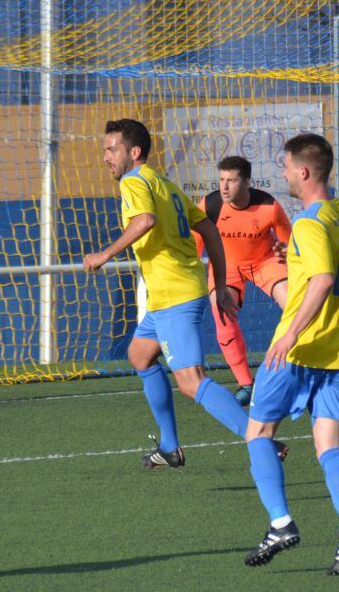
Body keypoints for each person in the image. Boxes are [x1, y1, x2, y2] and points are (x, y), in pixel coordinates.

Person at [83, 119, 280, 469]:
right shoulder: (165, 184)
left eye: (111, 149)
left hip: (174, 293)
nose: (105, 157)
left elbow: (144, 221)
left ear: (134, 152)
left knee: (191, 382)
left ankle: (258, 436)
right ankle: (170, 446)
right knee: (140, 355)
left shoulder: (134, 181)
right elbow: (209, 229)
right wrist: (219, 285)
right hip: (169, 294)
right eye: (104, 150)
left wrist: (104, 254)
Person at [243, 133, 339, 576]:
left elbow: (321, 279)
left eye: (285, 166)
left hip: (297, 352)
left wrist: (290, 333)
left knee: (258, 433)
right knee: (328, 445)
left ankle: (280, 523)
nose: (282, 174)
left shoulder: (311, 221)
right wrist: (295, 257)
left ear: (303, 170)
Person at [193, 156, 292, 407]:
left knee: (295, 305)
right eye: (221, 180)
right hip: (227, 266)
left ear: (247, 181)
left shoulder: (269, 206)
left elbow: (290, 244)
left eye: (232, 180)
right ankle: (246, 384)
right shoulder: (210, 205)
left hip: (266, 261)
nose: (224, 187)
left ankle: (291, 371)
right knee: (221, 310)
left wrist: (288, 252)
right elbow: (193, 247)